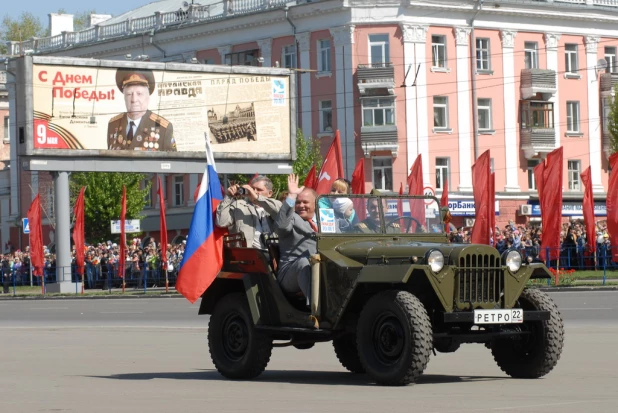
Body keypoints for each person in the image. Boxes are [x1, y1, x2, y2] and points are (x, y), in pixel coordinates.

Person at [107, 69, 176, 152]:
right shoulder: (113, 125)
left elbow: (172, 163)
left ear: (147, 97)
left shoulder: (163, 128)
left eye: (139, 94)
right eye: (129, 94)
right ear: (124, 97)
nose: (134, 99)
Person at [275, 174, 318, 305]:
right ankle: (316, 310)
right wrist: (292, 196)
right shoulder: (291, 218)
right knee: (304, 263)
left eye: (305, 202)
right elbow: (281, 227)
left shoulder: (326, 220)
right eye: (298, 202)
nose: (301, 206)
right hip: (291, 272)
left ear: (315, 204)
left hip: (320, 268)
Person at [216, 175, 282, 248]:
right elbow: (221, 222)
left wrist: (257, 198)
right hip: (249, 254)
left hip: (274, 254)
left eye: (259, 190)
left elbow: (281, 213)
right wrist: (228, 196)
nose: (254, 192)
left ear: (270, 193)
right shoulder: (239, 205)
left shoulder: (275, 204)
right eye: (252, 189)